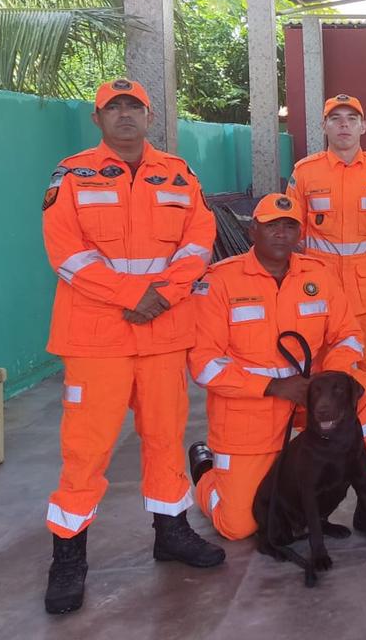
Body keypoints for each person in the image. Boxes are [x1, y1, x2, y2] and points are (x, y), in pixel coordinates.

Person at [40, 78, 224, 616]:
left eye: (133, 107)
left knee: (166, 438)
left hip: (164, 334)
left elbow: (199, 240)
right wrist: (134, 294)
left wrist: (161, 296)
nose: (124, 115)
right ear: (97, 119)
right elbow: (66, 252)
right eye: (112, 108)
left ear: (150, 117)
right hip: (97, 339)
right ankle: (68, 558)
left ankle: (171, 533)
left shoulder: (179, 174)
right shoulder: (72, 174)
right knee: (86, 449)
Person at [185, 193, 366, 541]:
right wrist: (272, 387)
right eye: (272, 225)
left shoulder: (319, 275)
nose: (282, 234)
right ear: (253, 230)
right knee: (240, 526)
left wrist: (328, 382)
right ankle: (207, 472)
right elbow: (204, 365)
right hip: (250, 409)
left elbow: (348, 335)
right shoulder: (220, 282)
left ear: (299, 232)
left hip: (312, 399)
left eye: (289, 226)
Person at [286, 93, 366, 490]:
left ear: (363, 126)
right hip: (318, 297)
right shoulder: (304, 173)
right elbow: (292, 233)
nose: (343, 125)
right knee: (321, 377)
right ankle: (321, 455)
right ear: (324, 127)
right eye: (335, 118)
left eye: (351, 118)